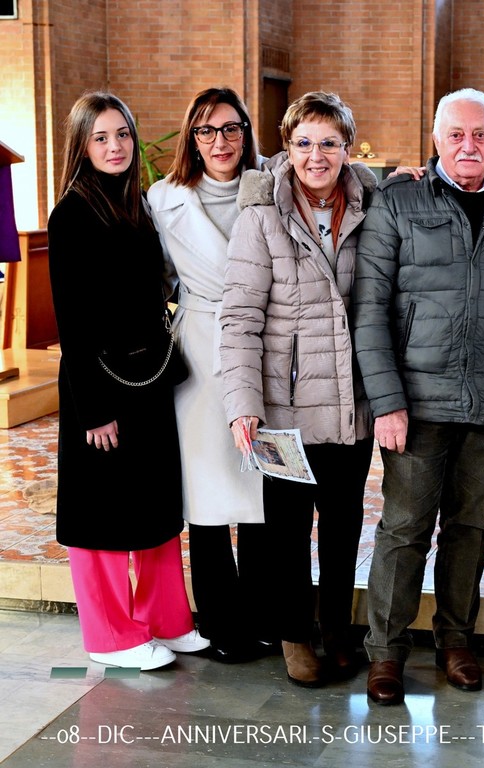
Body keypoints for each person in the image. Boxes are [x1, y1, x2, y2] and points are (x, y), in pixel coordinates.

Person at [352, 88, 484, 705]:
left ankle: (457, 641)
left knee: (470, 528)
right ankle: (385, 651)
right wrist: (387, 402)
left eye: (479, 134)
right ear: (435, 139)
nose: (468, 146)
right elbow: (370, 309)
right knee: (405, 529)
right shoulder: (398, 201)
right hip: (417, 403)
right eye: (455, 134)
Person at [219, 91, 377, 687]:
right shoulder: (261, 215)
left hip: (349, 403)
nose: (316, 156)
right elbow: (239, 318)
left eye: (329, 144)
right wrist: (244, 406)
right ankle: (293, 635)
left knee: (343, 527)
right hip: (282, 411)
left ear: (347, 149)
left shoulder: (371, 206)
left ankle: (335, 627)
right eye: (304, 143)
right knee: (286, 532)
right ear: (287, 147)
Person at [47, 91, 209, 670]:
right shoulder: (71, 214)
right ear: (82, 146)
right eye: (101, 137)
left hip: (147, 376)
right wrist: (93, 409)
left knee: (153, 504)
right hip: (100, 384)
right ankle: (110, 636)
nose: (115, 147)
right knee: (103, 517)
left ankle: (167, 620)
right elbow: (74, 319)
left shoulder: (137, 203)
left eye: (122, 135)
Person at [147, 87, 275, 664]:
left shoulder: (273, 186)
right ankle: (221, 623)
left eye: (229, 128)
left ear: (246, 132)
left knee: (263, 488)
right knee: (208, 492)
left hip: (266, 346)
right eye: (205, 130)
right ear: (190, 138)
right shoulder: (164, 198)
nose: (219, 141)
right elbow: (159, 277)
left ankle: (265, 617)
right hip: (200, 348)